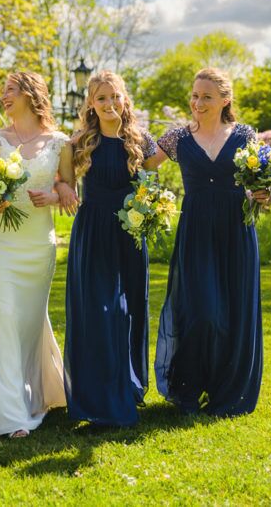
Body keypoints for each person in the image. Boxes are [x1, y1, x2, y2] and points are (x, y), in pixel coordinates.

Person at [143, 68, 270, 416]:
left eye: (206, 97)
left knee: (233, 313)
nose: (197, 103)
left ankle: (225, 390)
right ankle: (188, 388)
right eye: (195, 96)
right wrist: (149, 201)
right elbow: (145, 165)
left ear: (225, 100)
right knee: (203, 313)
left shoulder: (244, 135)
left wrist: (264, 193)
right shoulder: (177, 137)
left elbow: (262, 180)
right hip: (196, 233)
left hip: (235, 230)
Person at [0, 72, 77, 438]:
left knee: (28, 321)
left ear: (30, 94)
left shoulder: (60, 142)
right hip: (1, 240)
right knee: (6, 313)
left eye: (10, 90)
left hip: (38, 242)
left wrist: (56, 195)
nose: (4, 96)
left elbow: (68, 187)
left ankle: (29, 393)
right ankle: (11, 414)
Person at [63, 70, 157, 426]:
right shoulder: (79, 142)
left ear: (124, 98)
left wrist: (151, 211)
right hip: (93, 232)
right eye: (101, 98)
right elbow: (63, 183)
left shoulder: (140, 141)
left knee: (129, 309)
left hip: (130, 233)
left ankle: (128, 384)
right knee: (101, 310)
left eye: (114, 96)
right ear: (91, 103)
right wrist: (63, 191)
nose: (109, 104)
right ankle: (95, 391)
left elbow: (150, 187)